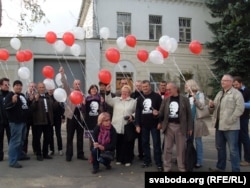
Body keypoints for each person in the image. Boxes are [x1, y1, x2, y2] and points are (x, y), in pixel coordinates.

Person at [208, 74, 244, 172]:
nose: (222, 82)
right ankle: (220, 167)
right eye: (222, 80)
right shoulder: (220, 93)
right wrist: (211, 105)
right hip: (219, 125)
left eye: (224, 80)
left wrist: (231, 119)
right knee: (220, 148)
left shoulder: (236, 94)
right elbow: (214, 107)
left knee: (233, 150)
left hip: (231, 127)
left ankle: (236, 170)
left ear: (230, 82)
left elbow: (240, 109)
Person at [158, 82, 193, 172]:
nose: (168, 91)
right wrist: (156, 114)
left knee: (181, 149)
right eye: (167, 90)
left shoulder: (184, 99)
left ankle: (181, 167)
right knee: (167, 148)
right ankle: (167, 167)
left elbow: (189, 114)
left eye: (169, 89)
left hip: (180, 126)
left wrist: (190, 127)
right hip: (169, 126)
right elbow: (161, 112)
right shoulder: (166, 99)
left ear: (175, 88)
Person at [59, 66, 88, 161]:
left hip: (80, 117)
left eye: (79, 84)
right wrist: (62, 75)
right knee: (69, 137)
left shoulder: (83, 95)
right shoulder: (69, 91)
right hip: (71, 117)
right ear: (73, 85)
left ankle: (80, 154)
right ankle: (69, 155)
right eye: (76, 84)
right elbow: (65, 84)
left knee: (80, 137)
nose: (77, 85)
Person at [135, 80, 163, 171]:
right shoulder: (140, 98)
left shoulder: (157, 97)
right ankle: (147, 160)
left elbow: (161, 111)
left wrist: (160, 122)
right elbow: (138, 112)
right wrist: (137, 125)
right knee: (145, 144)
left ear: (150, 86)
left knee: (156, 144)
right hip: (143, 125)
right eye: (143, 87)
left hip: (155, 125)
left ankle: (159, 162)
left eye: (146, 86)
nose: (145, 88)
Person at [105, 84, 137, 166]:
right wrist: (108, 91)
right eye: (123, 91)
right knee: (118, 143)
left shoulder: (133, 101)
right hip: (117, 125)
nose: (124, 93)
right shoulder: (116, 100)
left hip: (127, 125)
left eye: (126, 92)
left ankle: (128, 160)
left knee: (128, 143)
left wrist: (132, 116)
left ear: (129, 93)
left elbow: (137, 112)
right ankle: (119, 159)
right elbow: (108, 101)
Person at [4, 80, 30, 168]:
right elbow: (6, 107)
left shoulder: (22, 95)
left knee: (21, 140)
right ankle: (12, 161)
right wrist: (13, 102)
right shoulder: (10, 95)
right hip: (15, 122)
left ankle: (19, 155)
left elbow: (25, 106)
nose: (19, 87)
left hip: (23, 122)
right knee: (15, 141)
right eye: (17, 85)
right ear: (13, 86)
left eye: (20, 86)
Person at [185, 79, 210, 168]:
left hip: (197, 121)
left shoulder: (200, 94)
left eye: (187, 85)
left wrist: (195, 100)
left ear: (191, 85)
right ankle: (189, 159)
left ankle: (199, 161)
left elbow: (202, 106)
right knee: (188, 141)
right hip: (188, 122)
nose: (185, 87)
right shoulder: (187, 95)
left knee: (198, 141)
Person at [31, 82, 54, 161]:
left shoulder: (48, 97)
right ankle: (38, 154)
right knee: (37, 138)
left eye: (43, 87)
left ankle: (45, 153)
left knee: (47, 137)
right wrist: (36, 100)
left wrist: (59, 101)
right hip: (38, 121)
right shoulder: (35, 97)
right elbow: (32, 108)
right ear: (38, 88)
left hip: (47, 120)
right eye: (40, 87)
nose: (42, 89)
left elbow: (53, 108)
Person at [233, 76, 250, 166]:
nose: (235, 86)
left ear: (241, 83)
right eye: (234, 85)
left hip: (243, 118)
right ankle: (238, 158)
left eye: (236, 85)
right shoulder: (235, 92)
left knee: (245, 138)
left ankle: (248, 159)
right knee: (237, 139)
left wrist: (240, 103)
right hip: (236, 118)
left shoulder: (246, 91)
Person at [84, 84, 104, 153]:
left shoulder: (100, 98)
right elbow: (84, 111)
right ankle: (92, 155)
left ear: (97, 90)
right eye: (92, 89)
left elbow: (102, 111)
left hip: (97, 122)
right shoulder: (87, 99)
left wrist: (101, 103)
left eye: (95, 89)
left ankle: (98, 153)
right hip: (89, 121)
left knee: (98, 138)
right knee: (91, 139)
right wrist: (83, 104)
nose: (94, 90)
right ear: (90, 90)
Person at [47, 89, 65, 156]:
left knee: (58, 134)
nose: (50, 91)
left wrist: (63, 116)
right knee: (50, 134)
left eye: (51, 90)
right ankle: (51, 149)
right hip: (50, 118)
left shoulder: (57, 95)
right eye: (49, 90)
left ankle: (60, 149)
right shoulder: (46, 96)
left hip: (57, 117)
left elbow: (62, 107)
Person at [130, 80, 144, 160]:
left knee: (141, 139)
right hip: (131, 119)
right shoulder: (132, 95)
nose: (138, 87)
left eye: (139, 85)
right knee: (131, 138)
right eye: (137, 85)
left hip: (140, 119)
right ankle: (131, 153)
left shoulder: (143, 95)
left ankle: (141, 154)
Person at [23, 81, 36, 154]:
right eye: (31, 86)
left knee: (35, 135)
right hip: (26, 118)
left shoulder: (37, 95)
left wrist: (34, 99)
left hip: (35, 118)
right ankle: (24, 151)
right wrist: (29, 99)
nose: (32, 88)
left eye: (34, 87)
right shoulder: (24, 95)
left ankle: (35, 150)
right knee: (25, 135)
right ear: (28, 86)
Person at [0, 77, 11, 161]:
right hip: (0, 121)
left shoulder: (11, 94)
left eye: (8, 84)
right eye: (5, 84)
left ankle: (12, 155)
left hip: (10, 121)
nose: (7, 86)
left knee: (11, 139)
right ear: (1, 85)